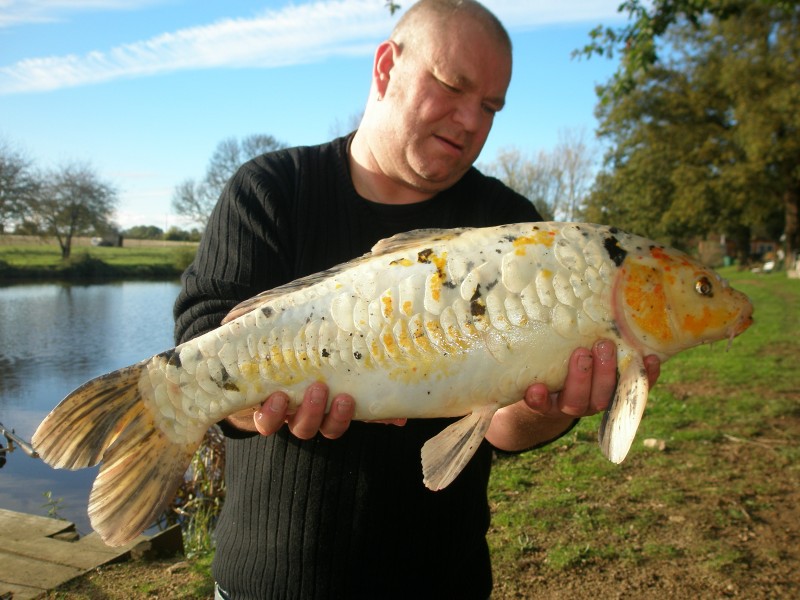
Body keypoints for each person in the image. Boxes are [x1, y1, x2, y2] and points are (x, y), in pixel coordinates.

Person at [174, 1, 660, 598]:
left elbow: (502, 429)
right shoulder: (270, 189)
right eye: (452, 86)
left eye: (491, 107)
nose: (470, 120)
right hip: (269, 583)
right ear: (386, 67)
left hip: (442, 580)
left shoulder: (514, 231)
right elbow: (202, 341)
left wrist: (554, 405)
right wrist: (251, 402)